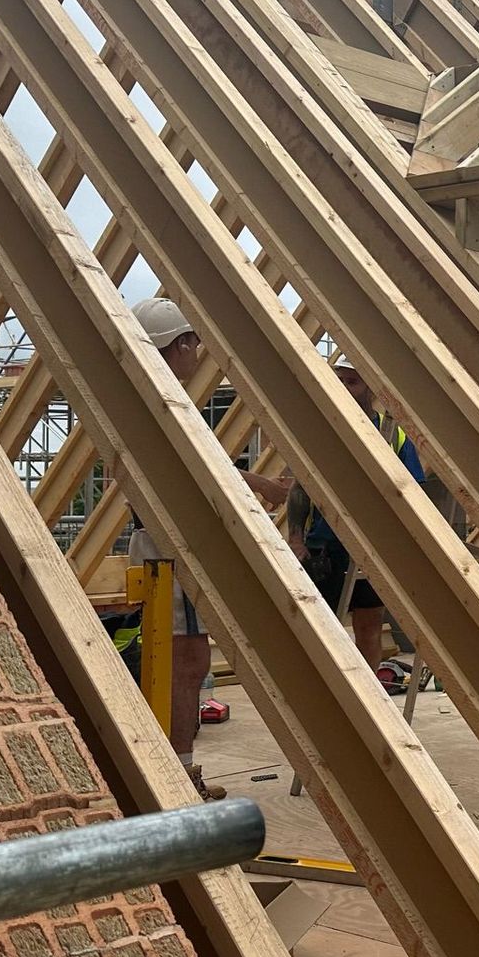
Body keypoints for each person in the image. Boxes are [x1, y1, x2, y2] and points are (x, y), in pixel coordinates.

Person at [123, 297, 287, 795]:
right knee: (186, 663)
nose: (197, 353)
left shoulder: (147, 398)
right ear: (180, 345)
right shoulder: (163, 401)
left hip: (162, 547)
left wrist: (261, 489)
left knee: (179, 662)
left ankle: (175, 770)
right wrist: (267, 491)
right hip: (170, 551)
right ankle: (179, 774)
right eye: (191, 343)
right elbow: (207, 470)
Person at [287, 363, 422, 669]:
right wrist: (295, 538)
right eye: (340, 380)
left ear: (370, 389)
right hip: (325, 547)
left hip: (372, 550)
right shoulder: (322, 429)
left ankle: (370, 701)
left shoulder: (394, 436)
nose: (345, 387)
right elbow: (299, 489)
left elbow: (413, 495)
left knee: (369, 625)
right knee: (320, 629)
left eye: (352, 382)